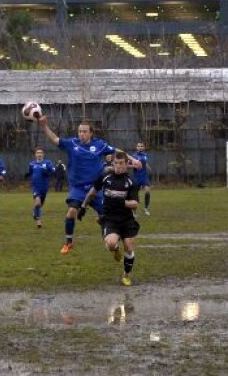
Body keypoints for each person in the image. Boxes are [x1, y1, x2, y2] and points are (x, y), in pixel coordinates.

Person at [35, 114, 123, 254]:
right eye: (80, 131)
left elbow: (117, 151)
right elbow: (55, 139)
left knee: (105, 216)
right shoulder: (72, 144)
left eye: (85, 131)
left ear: (91, 133)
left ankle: (108, 238)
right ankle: (68, 243)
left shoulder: (99, 145)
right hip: (78, 189)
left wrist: (133, 160)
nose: (82, 134)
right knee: (71, 213)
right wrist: (44, 126)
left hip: (96, 188)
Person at [81, 150, 140, 286]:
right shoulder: (105, 176)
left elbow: (135, 204)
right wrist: (84, 206)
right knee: (111, 244)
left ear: (126, 164)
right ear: (112, 163)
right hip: (110, 218)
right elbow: (92, 192)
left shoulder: (131, 181)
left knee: (129, 246)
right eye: (116, 163)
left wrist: (122, 203)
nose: (118, 166)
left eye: (121, 163)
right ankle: (115, 249)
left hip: (126, 219)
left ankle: (126, 275)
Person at [25, 148, 56, 228]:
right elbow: (30, 172)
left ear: (43, 154)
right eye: (37, 153)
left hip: (44, 187)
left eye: (41, 153)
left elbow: (53, 170)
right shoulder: (32, 164)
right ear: (35, 154)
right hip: (35, 187)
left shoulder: (47, 162)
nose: (39, 154)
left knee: (40, 204)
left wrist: (48, 171)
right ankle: (38, 221)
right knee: (38, 202)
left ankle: (35, 212)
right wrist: (29, 177)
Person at [132, 141, 152, 216]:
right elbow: (132, 164)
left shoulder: (145, 155)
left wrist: (148, 166)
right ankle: (134, 211)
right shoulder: (134, 156)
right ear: (136, 148)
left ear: (144, 148)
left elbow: (144, 162)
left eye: (141, 146)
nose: (140, 147)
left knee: (147, 191)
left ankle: (146, 208)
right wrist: (135, 165)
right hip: (137, 177)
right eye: (138, 146)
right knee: (135, 194)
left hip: (144, 177)